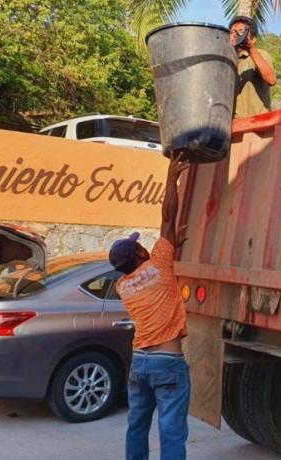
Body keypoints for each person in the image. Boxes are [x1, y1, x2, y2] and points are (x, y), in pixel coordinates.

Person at [111, 155, 190, 460]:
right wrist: (171, 178)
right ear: (142, 250)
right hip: (166, 363)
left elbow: (156, 266)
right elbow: (168, 218)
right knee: (171, 431)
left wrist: (172, 245)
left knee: (137, 425)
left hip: (140, 363)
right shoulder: (158, 262)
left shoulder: (123, 286)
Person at [229, 15, 277, 118]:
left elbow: (271, 80)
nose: (235, 35)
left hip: (258, 125)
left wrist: (251, 49)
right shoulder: (227, 62)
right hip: (234, 126)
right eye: (232, 32)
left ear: (253, 39)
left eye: (241, 32)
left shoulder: (260, 55)